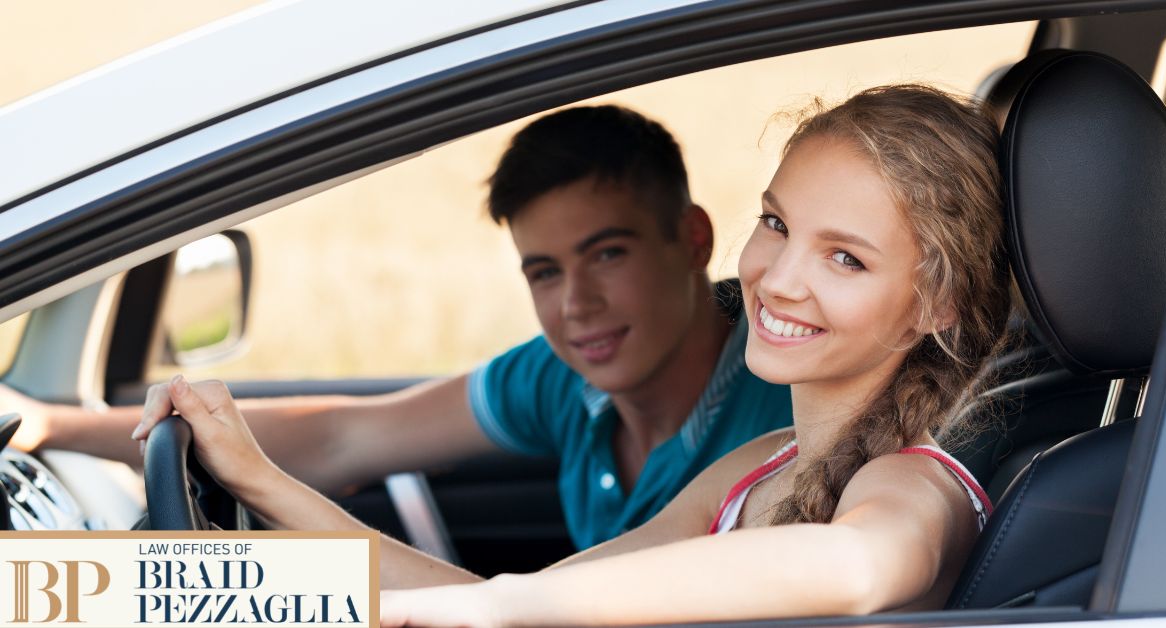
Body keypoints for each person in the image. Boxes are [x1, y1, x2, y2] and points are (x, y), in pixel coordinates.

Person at [134, 83, 1012, 625]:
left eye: (845, 258)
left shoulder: (910, 478)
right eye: (777, 224)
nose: (777, 281)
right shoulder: (764, 466)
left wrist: (504, 606)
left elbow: (861, 566)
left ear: (934, 304)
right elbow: (505, 595)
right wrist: (259, 482)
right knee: (83, 596)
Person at [3, 105, 792, 549]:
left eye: (607, 255)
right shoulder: (563, 378)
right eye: (543, 272)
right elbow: (351, 437)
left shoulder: (782, 412)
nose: (574, 304)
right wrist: (53, 426)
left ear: (692, 239)